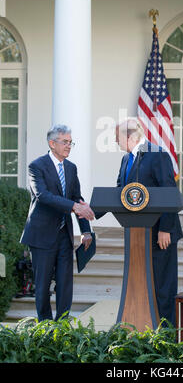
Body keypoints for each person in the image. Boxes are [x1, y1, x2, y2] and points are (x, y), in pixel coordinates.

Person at [20, 124, 95, 322]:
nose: (69, 146)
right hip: (41, 234)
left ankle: (61, 326)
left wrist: (86, 231)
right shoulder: (37, 166)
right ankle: (44, 326)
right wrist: (73, 207)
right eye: (65, 142)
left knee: (65, 284)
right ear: (52, 143)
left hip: (64, 235)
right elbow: (43, 195)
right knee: (43, 285)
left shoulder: (71, 168)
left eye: (71, 142)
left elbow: (77, 198)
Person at [115, 118, 183, 327]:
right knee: (142, 285)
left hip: (159, 233)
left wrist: (165, 229)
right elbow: (120, 190)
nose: (115, 142)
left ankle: (166, 335)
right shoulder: (127, 159)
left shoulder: (157, 155)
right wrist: (93, 209)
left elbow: (169, 193)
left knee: (162, 286)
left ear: (129, 136)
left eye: (117, 137)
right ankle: (143, 328)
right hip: (137, 234)